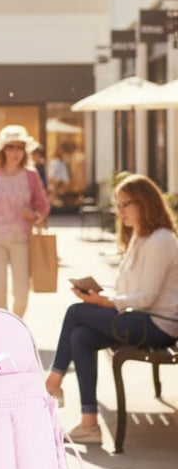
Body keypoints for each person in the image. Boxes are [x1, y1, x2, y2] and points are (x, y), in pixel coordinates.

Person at [45, 174, 178, 445]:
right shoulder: (140, 237)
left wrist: (104, 303)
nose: (119, 211)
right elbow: (134, 289)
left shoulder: (161, 240)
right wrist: (103, 295)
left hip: (157, 325)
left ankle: (52, 381)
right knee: (80, 336)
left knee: (75, 312)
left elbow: (149, 297)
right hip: (139, 318)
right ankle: (89, 423)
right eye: (117, 204)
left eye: (125, 204)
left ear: (145, 203)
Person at [0, 125, 50, 319]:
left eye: (20, 147)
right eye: (11, 147)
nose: (16, 152)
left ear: (25, 151)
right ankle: (4, 335)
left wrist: (34, 215)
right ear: (2, 150)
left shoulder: (31, 175)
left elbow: (43, 204)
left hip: (21, 240)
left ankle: (16, 326)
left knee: (21, 295)